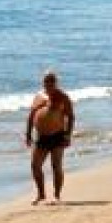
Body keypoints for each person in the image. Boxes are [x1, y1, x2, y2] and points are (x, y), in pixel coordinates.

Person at [24, 71, 75, 205]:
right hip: (40, 137)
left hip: (57, 135)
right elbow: (31, 116)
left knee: (56, 166)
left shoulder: (63, 97)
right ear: (43, 82)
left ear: (56, 82)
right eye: (46, 80)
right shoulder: (38, 96)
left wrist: (68, 135)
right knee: (35, 165)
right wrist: (28, 134)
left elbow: (71, 117)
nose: (49, 83)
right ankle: (41, 194)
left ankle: (57, 195)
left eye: (52, 81)